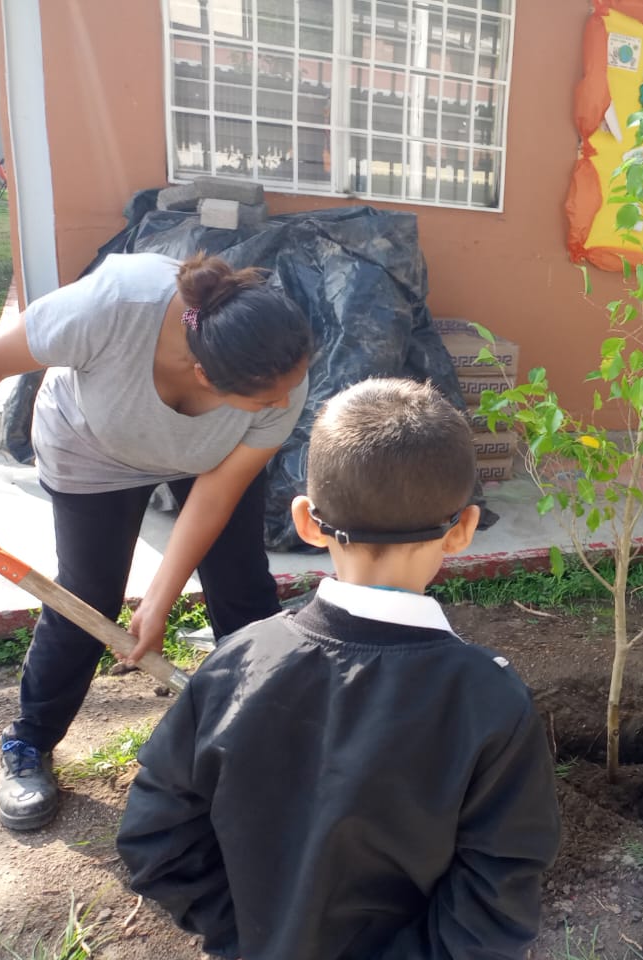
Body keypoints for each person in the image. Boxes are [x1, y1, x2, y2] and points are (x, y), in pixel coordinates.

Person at [116, 378, 561, 960]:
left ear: (306, 520)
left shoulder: (234, 663)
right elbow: (497, 897)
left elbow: (155, 838)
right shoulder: (490, 700)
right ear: (464, 529)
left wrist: (244, 934)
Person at [0, 251, 312, 831]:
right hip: (94, 444)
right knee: (89, 596)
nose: (285, 405)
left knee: (241, 583)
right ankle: (29, 743)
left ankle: (262, 731)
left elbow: (215, 496)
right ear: (204, 376)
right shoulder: (112, 308)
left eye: (290, 388)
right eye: (268, 399)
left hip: (207, 457)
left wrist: (159, 601)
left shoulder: (278, 377)